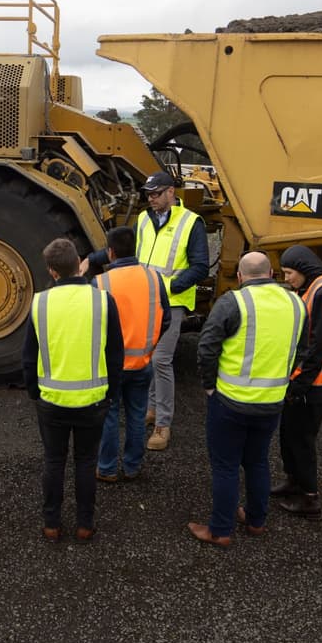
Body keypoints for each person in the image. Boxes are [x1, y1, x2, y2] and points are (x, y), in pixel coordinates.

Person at [188, 252, 304, 547]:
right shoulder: (296, 304)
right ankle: (255, 520)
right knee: (257, 461)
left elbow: (207, 347)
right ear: (272, 274)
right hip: (271, 403)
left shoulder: (233, 302)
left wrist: (209, 386)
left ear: (240, 277)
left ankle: (220, 530)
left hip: (230, 402)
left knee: (225, 466)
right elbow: (302, 351)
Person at [89, 172, 207, 453]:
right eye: (149, 195)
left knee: (162, 361)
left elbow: (200, 266)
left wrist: (171, 288)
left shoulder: (191, 222)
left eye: (156, 194)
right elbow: (126, 253)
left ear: (171, 192)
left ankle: (163, 425)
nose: (151, 199)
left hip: (172, 300)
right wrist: (90, 260)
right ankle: (152, 409)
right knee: (148, 357)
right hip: (144, 299)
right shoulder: (143, 219)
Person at [21, 237, 123, 542]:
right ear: (78, 263)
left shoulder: (39, 302)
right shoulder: (103, 301)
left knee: (54, 461)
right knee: (86, 462)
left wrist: (34, 393)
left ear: (52, 272)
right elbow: (115, 353)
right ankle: (84, 524)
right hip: (92, 401)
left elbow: (29, 355)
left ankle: (51, 523)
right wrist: (111, 393)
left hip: (51, 401)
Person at [92, 224, 167, 484]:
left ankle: (107, 468)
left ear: (110, 252)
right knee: (136, 415)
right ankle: (132, 467)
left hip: (111, 365)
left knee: (110, 415)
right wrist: (150, 344)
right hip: (142, 363)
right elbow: (165, 318)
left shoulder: (101, 282)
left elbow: (93, 324)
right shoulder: (154, 278)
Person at [275, 244, 322, 518]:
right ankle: (294, 481)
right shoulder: (314, 287)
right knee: (289, 434)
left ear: (303, 269)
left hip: (316, 384)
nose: (287, 279)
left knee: (302, 439)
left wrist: (300, 385)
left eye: (289, 273)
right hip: (309, 381)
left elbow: (317, 346)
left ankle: (309, 499)